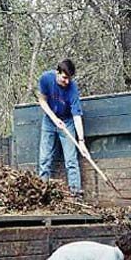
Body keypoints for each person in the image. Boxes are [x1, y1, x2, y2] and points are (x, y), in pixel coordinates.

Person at [37, 59, 89, 195]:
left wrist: (81, 141)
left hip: (67, 121)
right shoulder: (46, 79)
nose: (67, 81)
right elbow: (42, 100)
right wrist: (54, 119)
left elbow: (77, 115)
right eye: (64, 78)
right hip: (49, 120)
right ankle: (42, 192)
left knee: (71, 160)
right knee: (44, 158)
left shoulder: (72, 88)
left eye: (69, 78)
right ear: (57, 73)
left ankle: (75, 194)